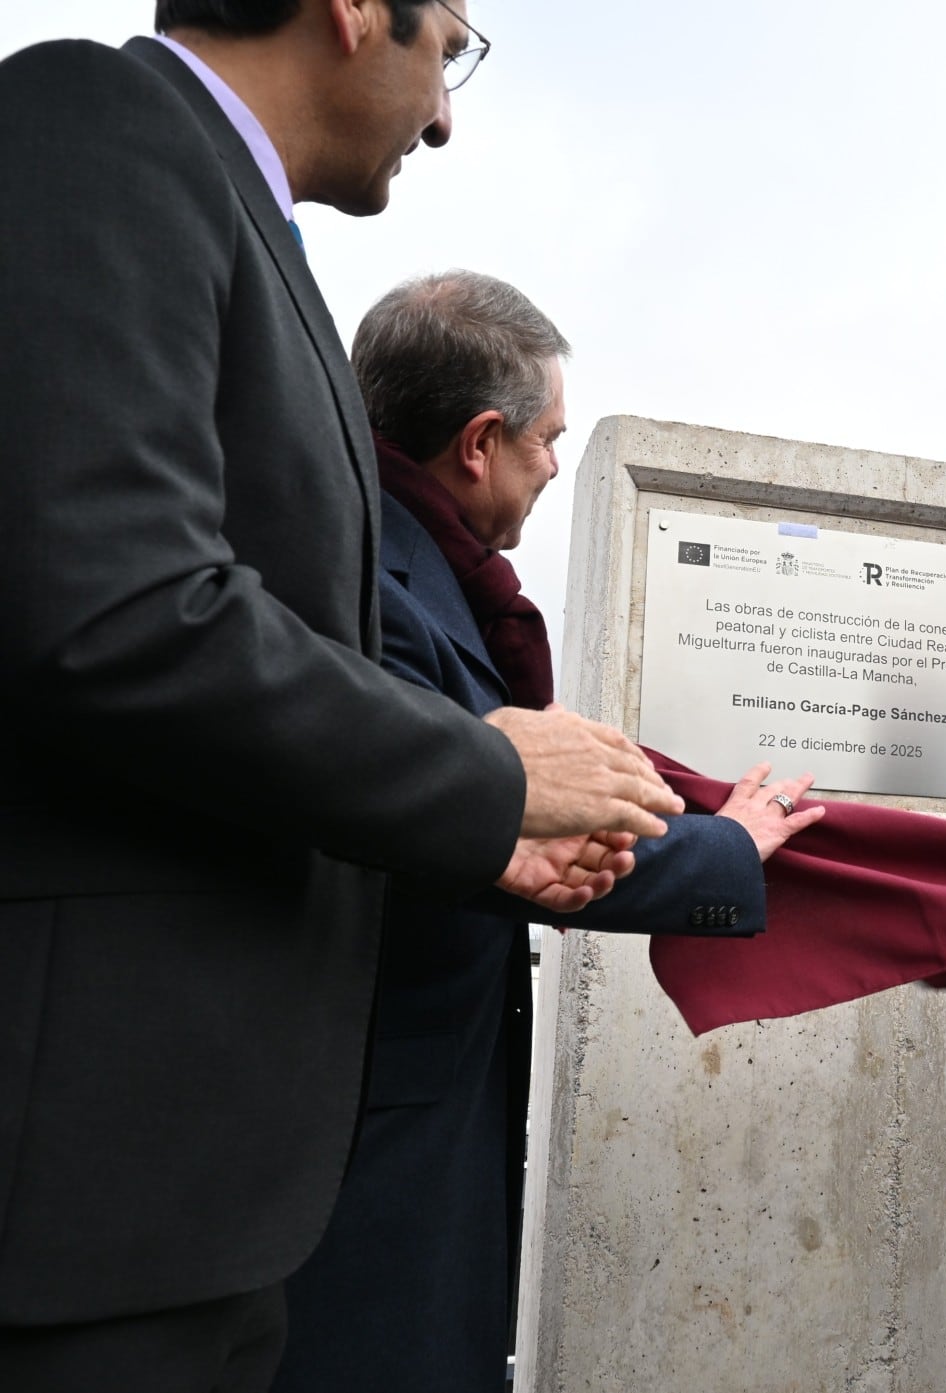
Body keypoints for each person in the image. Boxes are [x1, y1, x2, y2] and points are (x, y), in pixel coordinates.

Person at [0, 5, 678, 1388]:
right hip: (93, 1174)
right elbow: (120, 609)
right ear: (358, 9)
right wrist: (495, 775)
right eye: (452, 47)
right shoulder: (96, 126)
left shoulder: (247, 222)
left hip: (207, 1179)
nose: (444, 114)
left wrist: (489, 825)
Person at [270, 270, 825, 1392]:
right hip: (368, 1134)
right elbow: (482, 813)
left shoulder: (402, 560)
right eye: (548, 440)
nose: (555, 467)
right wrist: (731, 842)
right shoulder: (375, 584)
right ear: (480, 441)